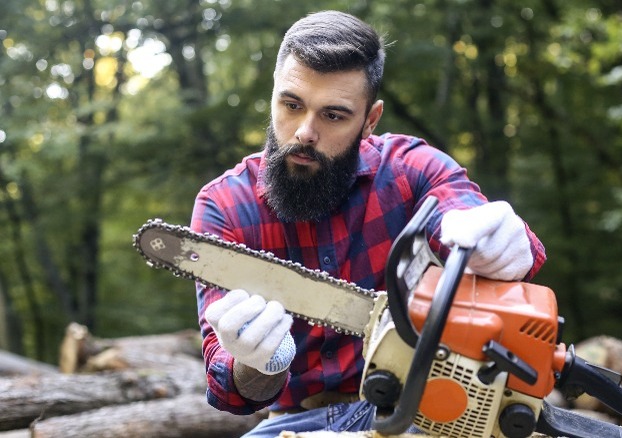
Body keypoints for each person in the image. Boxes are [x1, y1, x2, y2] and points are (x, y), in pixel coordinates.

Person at [189, 10, 546, 437]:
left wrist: (504, 242)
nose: (305, 132)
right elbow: (231, 391)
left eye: (333, 116)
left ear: (370, 120)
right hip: (295, 422)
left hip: (419, 406)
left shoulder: (411, 169)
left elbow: (468, 214)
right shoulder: (224, 205)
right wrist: (256, 360)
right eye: (291, 105)